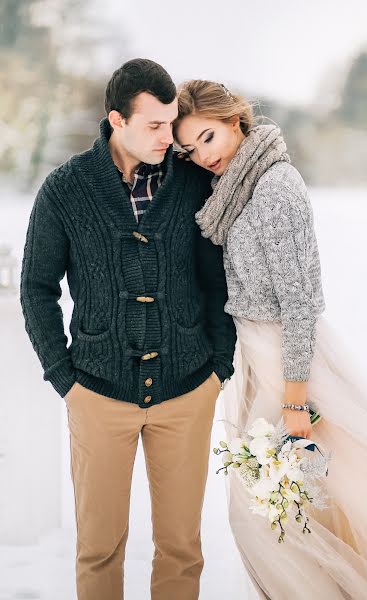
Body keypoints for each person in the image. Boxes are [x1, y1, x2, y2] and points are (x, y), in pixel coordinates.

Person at [174, 79, 367, 599]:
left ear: (235, 121)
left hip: (292, 366)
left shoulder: (276, 186)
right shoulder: (233, 191)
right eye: (190, 148)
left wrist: (297, 400)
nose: (200, 156)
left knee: (292, 508)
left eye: (207, 138)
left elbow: (302, 303)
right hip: (256, 363)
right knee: (275, 511)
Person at [20, 61, 236, 600]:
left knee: (182, 548)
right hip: (96, 392)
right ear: (117, 119)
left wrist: (219, 365)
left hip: (188, 388)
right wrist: (63, 376)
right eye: (156, 126)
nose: (170, 138)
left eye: (172, 123)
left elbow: (219, 281)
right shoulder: (65, 190)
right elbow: (37, 287)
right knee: (98, 548)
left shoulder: (193, 184)